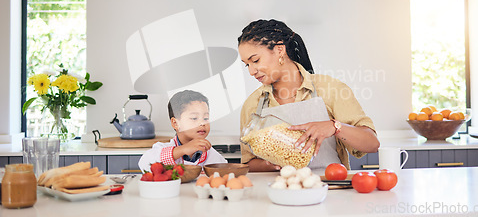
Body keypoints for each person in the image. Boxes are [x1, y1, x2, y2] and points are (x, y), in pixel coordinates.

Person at [238, 19, 380, 172]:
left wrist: (334, 127)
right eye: (247, 64)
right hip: (279, 192)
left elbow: (372, 144)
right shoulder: (253, 104)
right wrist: (272, 163)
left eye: (255, 60)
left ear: (280, 50)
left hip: (330, 190)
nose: (251, 71)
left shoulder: (330, 88)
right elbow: (248, 163)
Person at [138, 90, 227, 172]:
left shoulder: (210, 153)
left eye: (206, 118)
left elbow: (224, 172)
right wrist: (182, 150)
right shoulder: (162, 148)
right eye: (194, 118)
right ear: (175, 123)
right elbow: (144, 163)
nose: (202, 123)